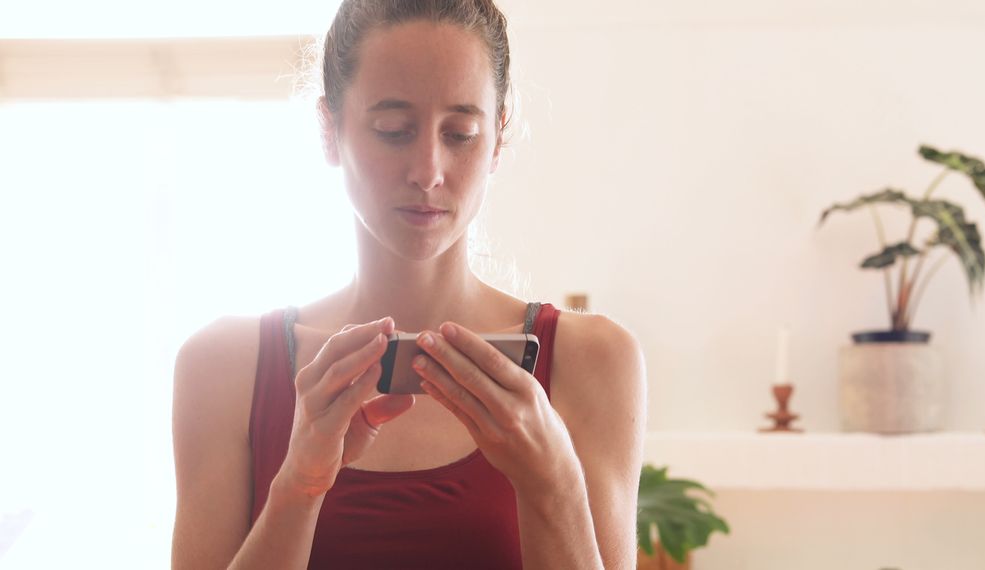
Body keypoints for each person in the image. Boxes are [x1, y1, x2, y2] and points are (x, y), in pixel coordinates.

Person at [170, 0, 646, 568]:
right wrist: (298, 486)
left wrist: (553, 485)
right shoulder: (223, 366)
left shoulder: (594, 361)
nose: (427, 170)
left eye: (461, 133)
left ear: (497, 138)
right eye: (393, 130)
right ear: (329, 130)